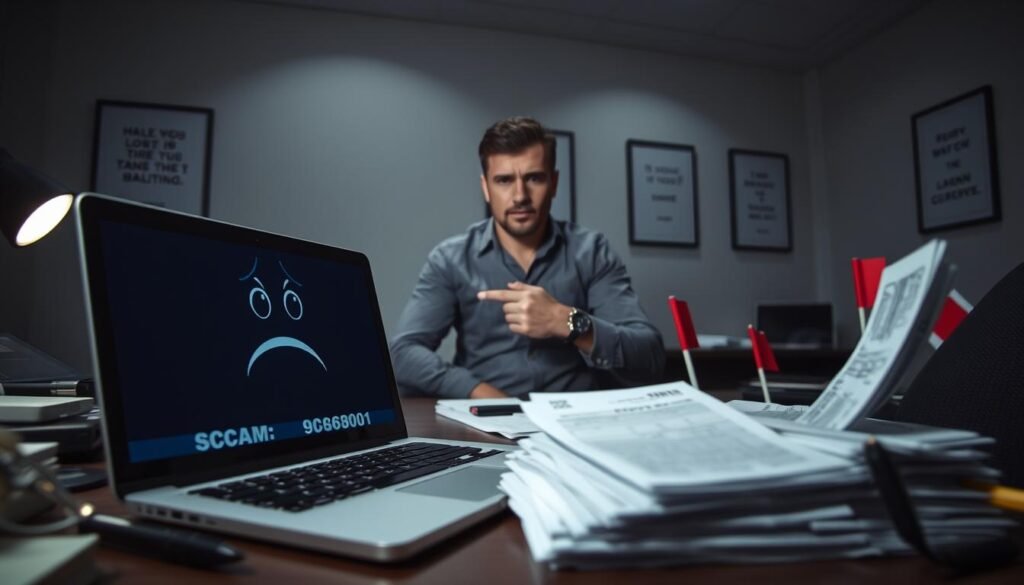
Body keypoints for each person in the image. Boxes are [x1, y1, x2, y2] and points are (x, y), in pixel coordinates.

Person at [390, 116, 664, 398]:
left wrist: (566, 320)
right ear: (486, 188)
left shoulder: (591, 251)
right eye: (504, 180)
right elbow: (403, 354)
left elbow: (649, 354)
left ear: (554, 183)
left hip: (576, 420)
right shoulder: (450, 259)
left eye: (534, 178)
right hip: (485, 422)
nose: (520, 195)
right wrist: (479, 392)